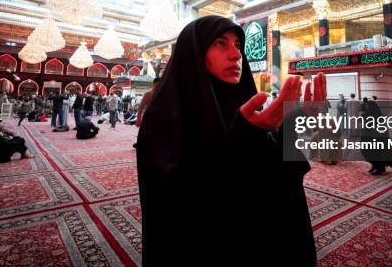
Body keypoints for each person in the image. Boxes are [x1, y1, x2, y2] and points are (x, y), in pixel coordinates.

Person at [136, 16, 319, 266]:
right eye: (221, 44)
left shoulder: (245, 107)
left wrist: (297, 125)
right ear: (195, 52)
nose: (236, 55)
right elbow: (186, 206)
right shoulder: (164, 118)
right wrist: (247, 135)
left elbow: (275, 182)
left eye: (238, 46)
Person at [360, 97, 392, 175]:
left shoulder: (378, 116)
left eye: (368, 105)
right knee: (368, 152)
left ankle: (379, 168)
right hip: (369, 136)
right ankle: (374, 166)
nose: (366, 106)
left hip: (377, 138)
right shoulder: (368, 114)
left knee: (377, 153)